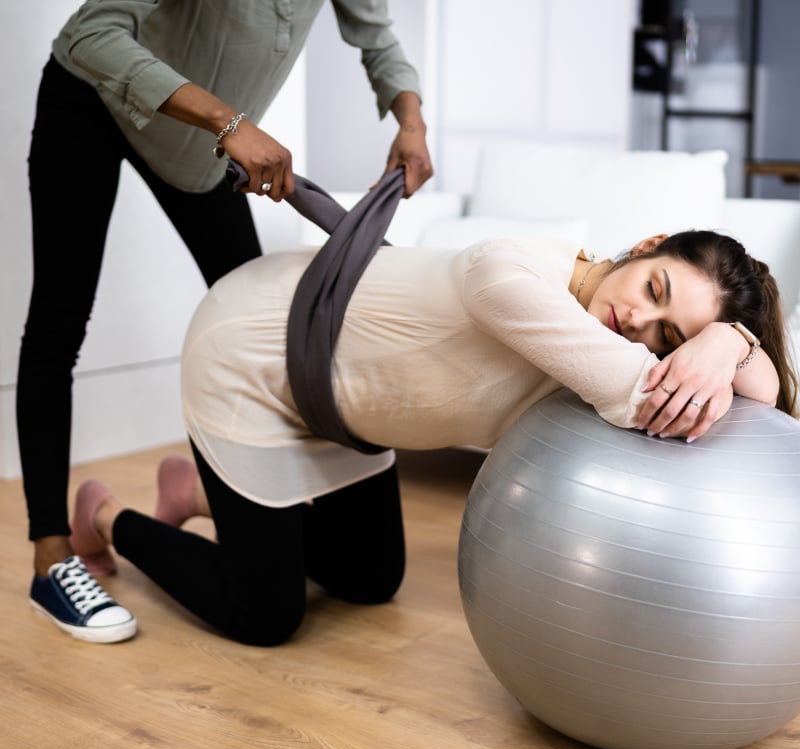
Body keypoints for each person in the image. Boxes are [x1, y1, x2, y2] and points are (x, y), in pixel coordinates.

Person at [61, 229, 798, 646]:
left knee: (370, 581)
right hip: (255, 357)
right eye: (655, 290)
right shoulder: (507, 275)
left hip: (346, 409)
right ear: (648, 244)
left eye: (668, 335)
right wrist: (713, 347)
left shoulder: (610, 332)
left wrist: (728, 340)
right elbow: (646, 400)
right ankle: (104, 517)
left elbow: (760, 400)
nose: (640, 324)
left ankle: (204, 493)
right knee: (268, 616)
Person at [22, 1, 434, 643]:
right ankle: (54, 552)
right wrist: (229, 121)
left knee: (267, 336)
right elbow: (91, 33)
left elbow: (374, 34)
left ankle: (203, 494)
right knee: (58, 323)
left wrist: (410, 119)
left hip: (196, 150)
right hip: (96, 104)